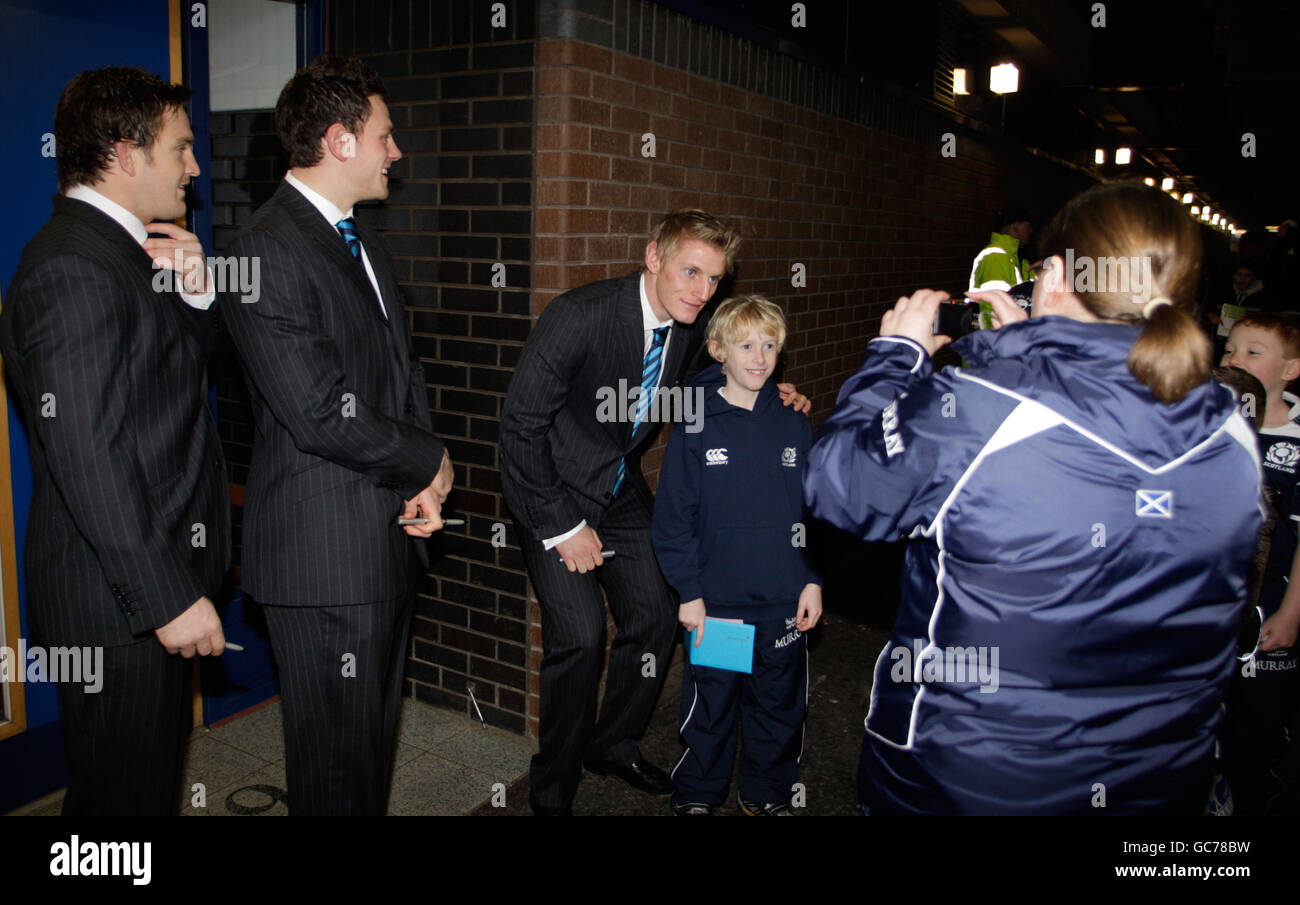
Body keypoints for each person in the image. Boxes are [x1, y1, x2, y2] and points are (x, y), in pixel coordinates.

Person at [805, 182, 1263, 814]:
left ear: (1060, 275)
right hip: (1156, 779)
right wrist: (1025, 348)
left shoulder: (983, 408)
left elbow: (838, 486)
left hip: (971, 777)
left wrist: (894, 356)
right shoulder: (1229, 426)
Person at [498, 209, 808, 815]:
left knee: (659, 611)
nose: (702, 290)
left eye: (714, 279)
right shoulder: (578, 315)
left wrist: (777, 394)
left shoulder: (691, 328)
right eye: (691, 271)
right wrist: (563, 525)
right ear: (654, 258)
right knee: (581, 636)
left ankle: (612, 743)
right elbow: (519, 429)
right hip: (552, 491)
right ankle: (552, 789)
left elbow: (719, 378)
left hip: (619, 488)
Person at [221, 55, 453, 815]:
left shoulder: (362, 238)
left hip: (384, 538)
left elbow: (401, 368)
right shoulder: (262, 250)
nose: (396, 152)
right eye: (385, 136)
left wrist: (422, 479)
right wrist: (429, 456)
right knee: (332, 769)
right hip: (322, 561)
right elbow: (320, 410)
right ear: (339, 140)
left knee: (368, 756)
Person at [0, 66, 230, 814]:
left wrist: (197, 297)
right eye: (181, 149)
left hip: (139, 587)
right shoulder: (71, 266)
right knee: (118, 801)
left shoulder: (129, 252)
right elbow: (89, 455)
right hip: (118, 604)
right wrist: (168, 597)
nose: (194, 167)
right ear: (128, 153)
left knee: (141, 789)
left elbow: (165, 394)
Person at [651, 295, 822, 816]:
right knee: (712, 707)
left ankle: (767, 793)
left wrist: (811, 578)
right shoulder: (697, 424)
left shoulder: (794, 421)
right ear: (718, 349)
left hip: (781, 603)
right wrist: (690, 592)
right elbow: (673, 517)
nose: (759, 357)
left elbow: (814, 513)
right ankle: (699, 793)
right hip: (719, 604)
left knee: (777, 707)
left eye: (770, 345)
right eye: (746, 345)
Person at [1218, 313, 1300, 814]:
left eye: (1253, 352)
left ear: (1291, 369)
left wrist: (1291, 613)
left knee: (1256, 726)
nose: (1234, 359)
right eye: (1230, 349)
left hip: (1270, 607)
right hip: (1209, 607)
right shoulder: (1209, 423)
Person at [968, 203, 1036, 295]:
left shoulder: (1022, 261)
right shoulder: (995, 257)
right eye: (1029, 226)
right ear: (1016, 227)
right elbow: (994, 305)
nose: (1031, 230)